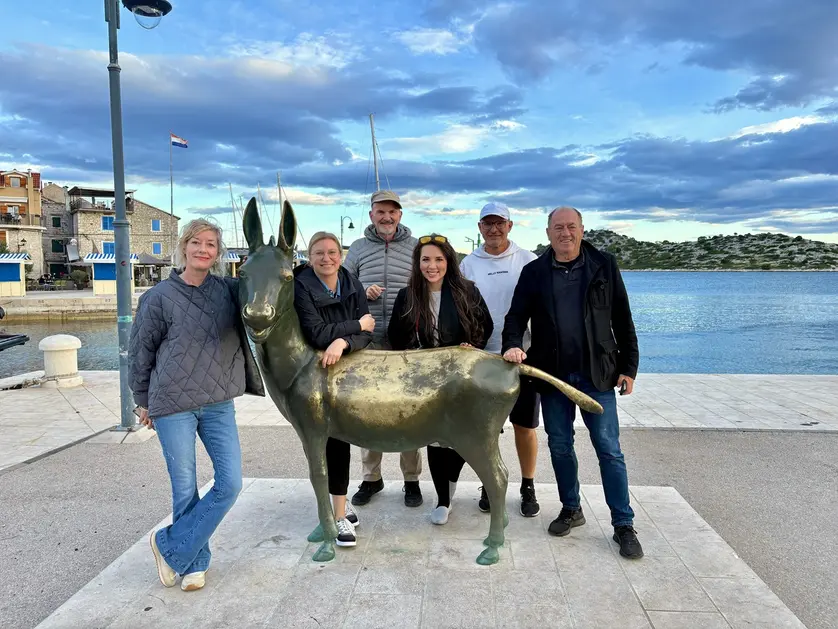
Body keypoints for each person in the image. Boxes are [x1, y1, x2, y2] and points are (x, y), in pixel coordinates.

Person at [129, 219, 264, 591]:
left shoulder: (229, 291)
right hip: (172, 404)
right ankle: (194, 564)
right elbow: (141, 353)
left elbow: (268, 292)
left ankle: (167, 544)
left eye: (211, 244)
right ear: (184, 247)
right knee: (185, 488)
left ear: (218, 253)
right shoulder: (158, 297)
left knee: (230, 483)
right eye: (197, 242)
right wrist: (142, 401)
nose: (204, 249)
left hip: (218, 402)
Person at [502, 206, 644, 559]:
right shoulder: (534, 271)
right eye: (558, 227)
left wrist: (629, 367)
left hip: (598, 375)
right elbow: (516, 316)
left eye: (571, 227)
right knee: (560, 445)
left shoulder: (604, 264)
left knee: (609, 449)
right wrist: (512, 345)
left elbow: (622, 317)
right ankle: (571, 508)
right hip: (553, 376)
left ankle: (623, 524)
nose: (565, 233)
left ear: (582, 229)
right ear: (548, 233)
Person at [388, 234, 493, 525]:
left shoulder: (466, 291)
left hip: (461, 378)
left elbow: (485, 325)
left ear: (449, 261)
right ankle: (443, 499)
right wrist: (412, 351)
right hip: (426, 380)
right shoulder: (407, 295)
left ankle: (454, 482)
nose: (431, 266)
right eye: (425, 260)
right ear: (417, 263)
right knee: (434, 439)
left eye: (438, 259)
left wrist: (472, 346)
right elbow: (396, 335)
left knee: (462, 439)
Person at [293, 231, 375, 548]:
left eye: (332, 252)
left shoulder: (350, 281)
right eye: (319, 253)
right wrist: (355, 326)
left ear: (341, 256)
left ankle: (339, 503)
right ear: (309, 257)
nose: (326, 258)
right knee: (330, 441)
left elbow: (368, 334)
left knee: (343, 437)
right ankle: (338, 514)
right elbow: (316, 332)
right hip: (317, 371)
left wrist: (342, 342)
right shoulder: (301, 286)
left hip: (348, 368)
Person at [343, 190, 423, 508]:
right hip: (369, 341)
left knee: (410, 411)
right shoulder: (358, 248)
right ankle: (371, 477)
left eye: (392, 211)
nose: (386, 217)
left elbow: (429, 283)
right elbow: (342, 286)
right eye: (381, 211)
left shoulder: (416, 247)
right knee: (368, 411)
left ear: (400, 214)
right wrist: (363, 291)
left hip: (407, 341)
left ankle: (412, 480)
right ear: (371, 215)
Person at [460, 202, 541, 517]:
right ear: (479, 227)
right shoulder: (469, 264)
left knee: (525, 425)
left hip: (522, 356)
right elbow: (460, 308)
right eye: (488, 223)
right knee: (487, 428)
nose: (494, 229)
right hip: (483, 357)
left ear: (510, 225)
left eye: (499, 223)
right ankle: (489, 482)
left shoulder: (528, 260)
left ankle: (528, 486)